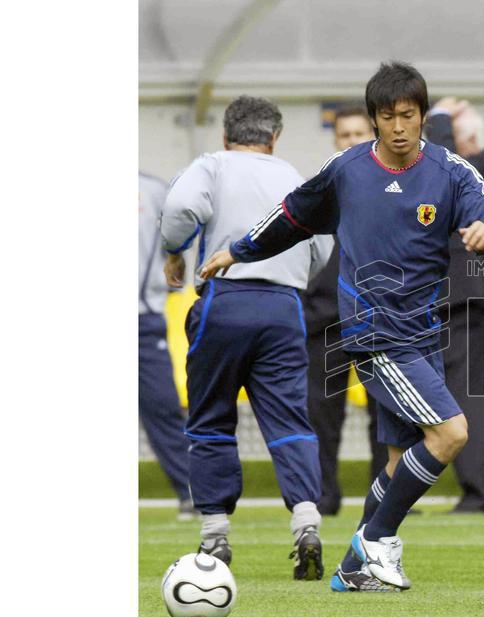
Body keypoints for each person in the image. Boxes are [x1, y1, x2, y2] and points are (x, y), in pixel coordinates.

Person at [199, 62, 484, 593]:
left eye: (408, 115)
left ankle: (352, 566)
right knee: (451, 432)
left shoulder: (451, 170)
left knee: (397, 458)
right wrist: (239, 250)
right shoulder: (346, 170)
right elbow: (290, 217)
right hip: (373, 331)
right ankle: (377, 542)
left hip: (424, 332)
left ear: (423, 116)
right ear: (373, 119)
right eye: (387, 117)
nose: (398, 127)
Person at [160, 95, 334, 580]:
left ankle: (215, 535)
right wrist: (294, 272)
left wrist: (174, 251)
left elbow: (180, 205)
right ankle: (306, 522)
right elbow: (323, 244)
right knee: (290, 420)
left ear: (225, 135)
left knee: (212, 417)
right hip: (284, 307)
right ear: (274, 137)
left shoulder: (212, 165)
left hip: (225, 299)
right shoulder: (294, 176)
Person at [424, 98, 484, 513]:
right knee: (453, 400)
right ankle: (474, 490)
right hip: (447, 304)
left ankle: (481, 492)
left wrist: (439, 118)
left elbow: (448, 170)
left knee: (473, 400)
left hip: (474, 304)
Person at [301, 105, 385, 516]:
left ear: (372, 136)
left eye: (358, 134)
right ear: (336, 140)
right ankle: (322, 497)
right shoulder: (319, 190)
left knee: (385, 415)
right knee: (321, 414)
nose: (351, 141)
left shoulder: (396, 188)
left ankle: (385, 497)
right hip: (324, 318)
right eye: (344, 135)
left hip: (377, 317)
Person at [138, 171, 193, 520]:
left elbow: (176, 240)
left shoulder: (153, 189)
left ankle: (192, 491)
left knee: (164, 407)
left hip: (143, 320)